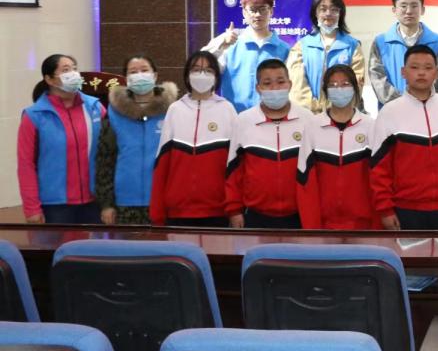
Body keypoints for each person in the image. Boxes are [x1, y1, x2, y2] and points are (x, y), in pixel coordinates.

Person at [370, 45, 438, 230]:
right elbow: (379, 168)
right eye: (414, 67)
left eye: (428, 68)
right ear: (403, 72)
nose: (421, 73)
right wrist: (385, 209)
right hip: (405, 210)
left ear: (437, 72)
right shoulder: (389, 112)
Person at [150, 51, 237, 227]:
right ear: (187, 75)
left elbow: (236, 166)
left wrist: (235, 209)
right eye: (196, 69)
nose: (202, 74)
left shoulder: (227, 110)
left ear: (216, 77)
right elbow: (162, 164)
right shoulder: (175, 109)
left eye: (208, 70)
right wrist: (157, 213)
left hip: (217, 211)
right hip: (178, 211)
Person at [225, 58, 314, 229]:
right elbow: (233, 171)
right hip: (255, 217)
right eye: (267, 83)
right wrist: (234, 210)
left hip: (299, 216)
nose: (274, 88)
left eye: (280, 82)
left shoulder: (307, 119)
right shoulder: (243, 121)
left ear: (290, 84)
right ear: (258, 88)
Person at [17, 54, 106, 224]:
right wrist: (31, 208)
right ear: (49, 79)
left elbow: (109, 154)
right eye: (66, 70)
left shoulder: (95, 107)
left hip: (94, 201)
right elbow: (25, 164)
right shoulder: (34, 115)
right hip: (55, 205)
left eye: (74, 69)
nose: (73, 74)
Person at [95, 54, 178, 225]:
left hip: (164, 199)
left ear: (155, 75)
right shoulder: (114, 113)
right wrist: (106, 204)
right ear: (126, 78)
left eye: (144, 70)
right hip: (124, 202)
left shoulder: (173, 111)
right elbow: (105, 160)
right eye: (133, 72)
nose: (139, 75)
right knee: (129, 243)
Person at [297, 63, 379, 229]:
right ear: (325, 90)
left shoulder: (371, 126)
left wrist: (376, 227)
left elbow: (378, 180)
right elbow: (305, 181)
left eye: (345, 84)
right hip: (324, 226)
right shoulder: (313, 126)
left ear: (355, 88)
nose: (339, 89)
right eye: (333, 85)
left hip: (363, 225)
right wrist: (312, 228)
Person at [203, 0, 290, 112]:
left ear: (271, 11)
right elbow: (200, 65)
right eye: (253, 10)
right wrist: (221, 43)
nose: (258, 15)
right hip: (234, 117)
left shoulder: (284, 49)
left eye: (263, 9)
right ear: (244, 12)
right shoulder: (230, 45)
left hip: (271, 116)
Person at [287, 0, 365, 113]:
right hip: (309, 116)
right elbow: (297, 88)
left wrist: (334, 111)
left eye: (334, 9)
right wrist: (317, 109)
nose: (328, 13)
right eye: (323, 9)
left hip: (342, 115)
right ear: (315, 13)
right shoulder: (301, 47)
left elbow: (356, 85)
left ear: (340, 13)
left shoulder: (352, 46)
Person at [369, 0, 438, 107]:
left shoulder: (437, 42)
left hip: (427, 109)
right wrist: (402, 104)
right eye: (403, 6)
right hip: (391, 112)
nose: (409, 11)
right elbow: (377, 79)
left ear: (422, 9)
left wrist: (420, 100)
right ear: (394, 10)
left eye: (414, 6)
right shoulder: (381, 43)